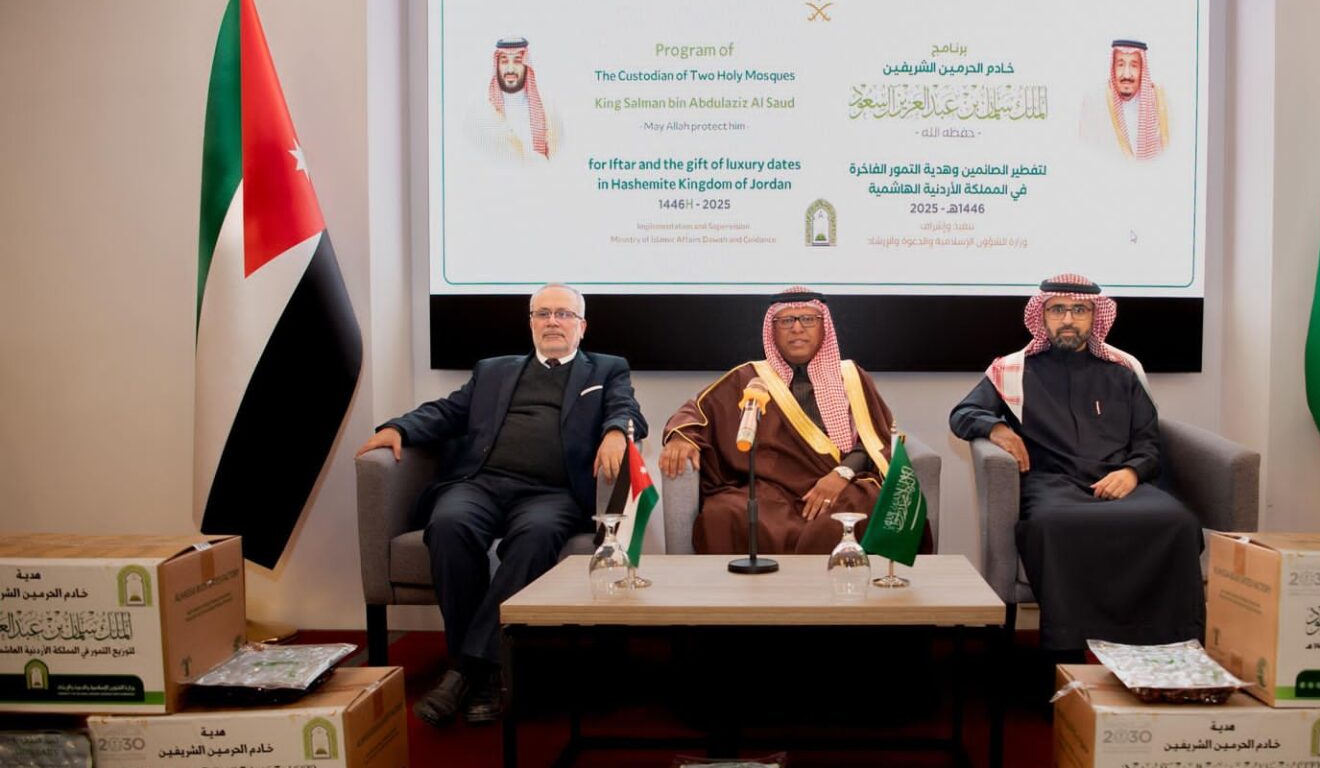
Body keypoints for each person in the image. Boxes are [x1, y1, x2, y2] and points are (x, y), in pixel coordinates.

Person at [357, 284, 644, 725]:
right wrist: (399, 428)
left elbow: (627, 409)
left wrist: (615, 431)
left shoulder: (607, 368)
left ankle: (468, 670)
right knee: (448, 525)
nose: (553, 321)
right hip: (482, 484)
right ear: (530, 323)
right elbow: (448, 411)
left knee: (537, 536)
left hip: (552, 493)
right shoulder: (493, 370)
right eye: (543, 313)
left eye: (563, 314)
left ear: (582, 326)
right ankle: (487, 669)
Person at [949, 273, 1203, 654]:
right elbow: (962, 414)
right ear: (1042, 316)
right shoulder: (1014, 370)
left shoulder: (1123, 371)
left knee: (1178, 522)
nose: (1068, 319)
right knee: (1051, 526)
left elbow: (1148, 443)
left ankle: (1173, 648)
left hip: (1119, 483)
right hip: (1052, 486)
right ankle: (1068, 651)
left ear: (1095, 316)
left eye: (1079, 310)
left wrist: (1131, 472)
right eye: (1058, 310)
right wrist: (997, 428)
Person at [659, 288, 924, 555]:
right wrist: (681, 437)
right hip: (770, 489)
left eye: (808, 319)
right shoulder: (749, 377)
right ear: (772, 330)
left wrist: (841, 474)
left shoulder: (852, 377)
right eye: (786, 321)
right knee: (723, 514)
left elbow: (875, 439)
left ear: (824, 327)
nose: (797, 328)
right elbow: (697, 410)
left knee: (856, 512)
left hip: (841, 483)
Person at [1079, 39, 1169, 160]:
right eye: (1120, 65)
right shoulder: (1095, 103)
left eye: (1134, 66)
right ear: (1113, 68)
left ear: (1142, 69)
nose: (1127, 74)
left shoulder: (1160, 101)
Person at [474, 35, 560, 160]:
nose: (510, 69)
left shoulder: (546, 109)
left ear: (526, 65)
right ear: (497, 65)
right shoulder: (484, 111)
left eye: (517, 61)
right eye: (504, 61)